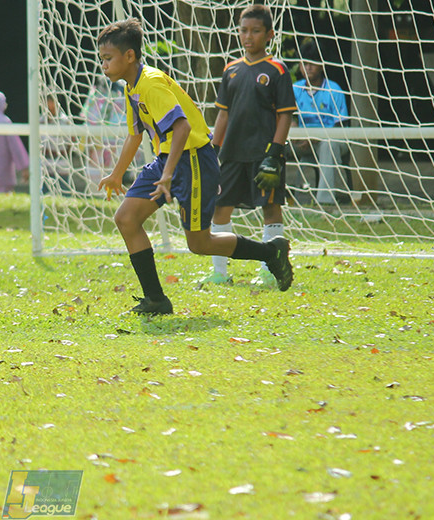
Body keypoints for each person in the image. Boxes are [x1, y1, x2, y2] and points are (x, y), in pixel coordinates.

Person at [95, 18, 293, 316]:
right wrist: (117, 173)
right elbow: (136, 134)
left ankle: (270, 252)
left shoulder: (150, 83)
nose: (104, 66)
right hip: (168, 161)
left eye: (108, 59)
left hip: (194, 160)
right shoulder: (132, 87)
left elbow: (183, 128)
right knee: (126, 218)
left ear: (130, 56)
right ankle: (156, 300)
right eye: (102, 60)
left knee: (199, 243)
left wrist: (167, 174)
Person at [205, 4, 298, 289]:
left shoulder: (277, 70)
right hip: (231, 154)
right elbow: (223, 113)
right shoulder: (231, 70)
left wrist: (275, 152)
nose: (249, 36)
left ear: (269, 34)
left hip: (263, 155)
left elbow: (285, 115)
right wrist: (212, 149)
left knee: (270, 208)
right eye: (244, 30)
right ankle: (220, 272)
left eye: (256, 31)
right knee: (220, 208)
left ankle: (270, 269)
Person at [292, 41, 350, 205]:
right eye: (304, 63)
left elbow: (340, 126)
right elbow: (284, 116)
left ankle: (325, 201)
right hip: (301, 141)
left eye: (312, 63)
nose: (308, 67)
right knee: (272, 142)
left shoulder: (334, 89)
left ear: (322, 66)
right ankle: (270, 197)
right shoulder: (294, 88)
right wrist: (293, 130)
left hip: (331, 139)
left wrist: (316, 138)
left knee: (328, 145)